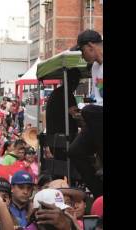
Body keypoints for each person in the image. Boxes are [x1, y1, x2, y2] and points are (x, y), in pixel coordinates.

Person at [69, 29, 103, 198]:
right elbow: (99, 99)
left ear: (90, 46)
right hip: (99, 116)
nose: (83, 57)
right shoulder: (96, 67)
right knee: (75, 151)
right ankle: (99, 194)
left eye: (82, 52)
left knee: (90, 111)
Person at [45, 67, 81, 160]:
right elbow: (75, 113)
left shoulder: (56, 93)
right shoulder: (66, 94)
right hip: (63, 140)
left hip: (55, 140)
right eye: (77, 82)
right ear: (73, 81)